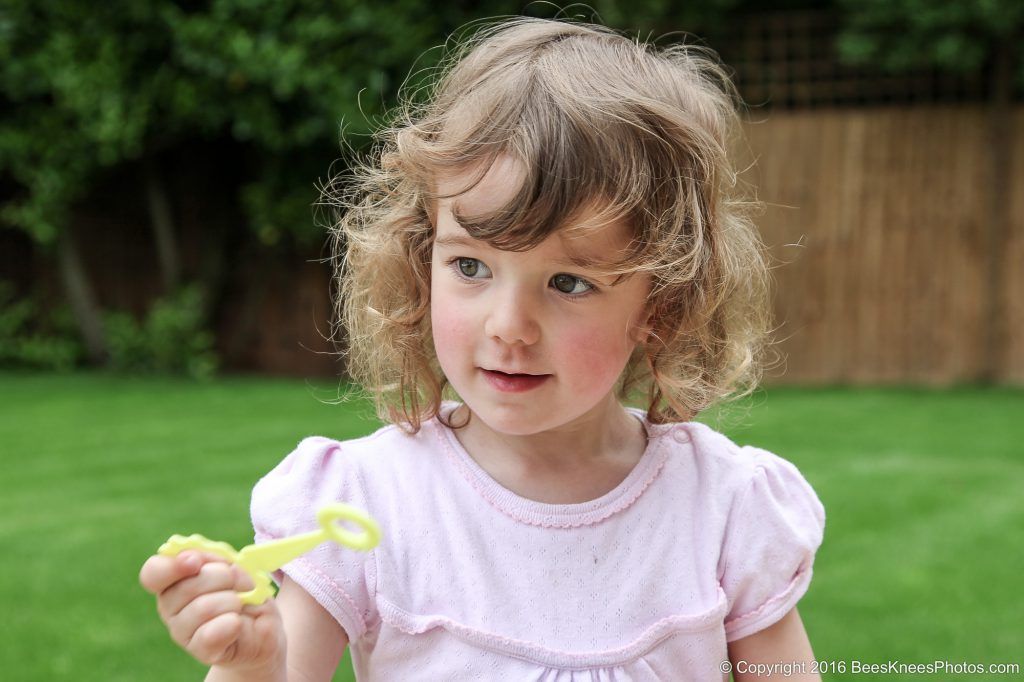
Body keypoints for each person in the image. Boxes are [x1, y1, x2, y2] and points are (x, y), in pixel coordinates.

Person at [140, 16, 825, 681]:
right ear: (421, 258)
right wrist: (254, 665)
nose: (509, 325)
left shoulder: (724, 509)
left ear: (662, 305)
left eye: (567, 282)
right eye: (470, 267)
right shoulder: (367, 501)